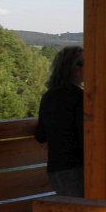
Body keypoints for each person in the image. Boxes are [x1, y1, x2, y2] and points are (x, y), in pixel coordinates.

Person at [35, 46, 85, 197]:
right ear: (69, 68)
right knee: (82, 210)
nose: (87, 67)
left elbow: (40, 135)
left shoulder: (48, 96)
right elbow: (83, 136)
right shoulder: (79, 97)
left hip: (55, 168)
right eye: (81, 63)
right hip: (75, 168)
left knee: (71, 208)